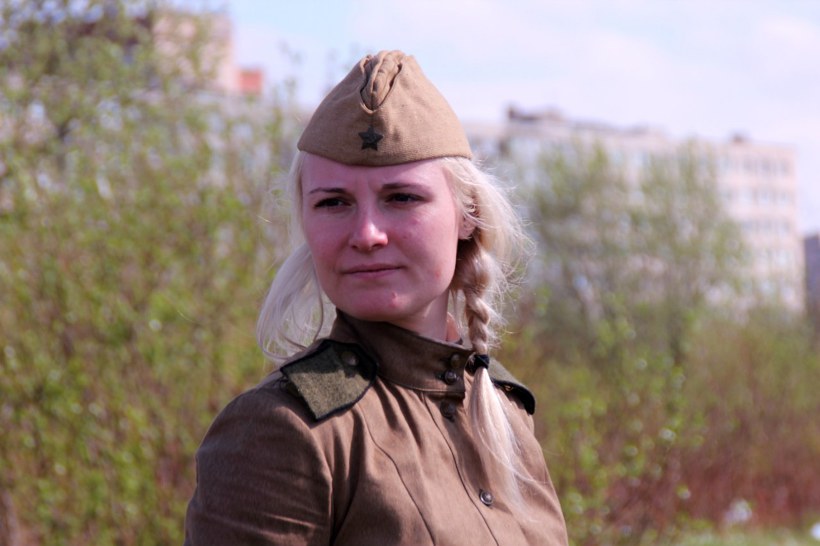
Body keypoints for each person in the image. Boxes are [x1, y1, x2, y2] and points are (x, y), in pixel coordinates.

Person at [184, 50, 568, 545]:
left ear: (467, 214)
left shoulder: (505, 415)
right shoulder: (283, 429)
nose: (367, 234)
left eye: (402, 198)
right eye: (334, 202)